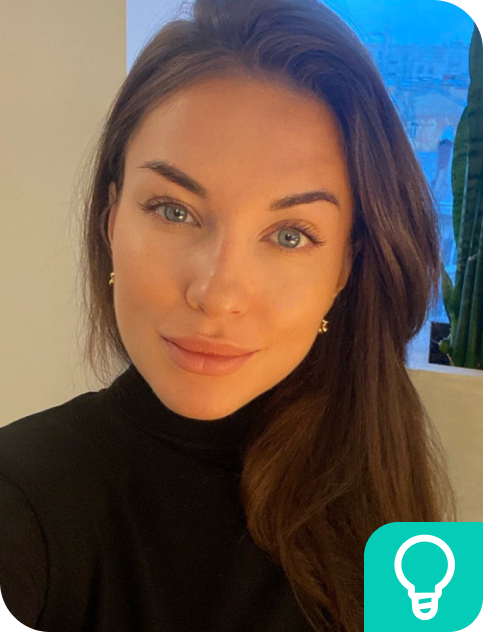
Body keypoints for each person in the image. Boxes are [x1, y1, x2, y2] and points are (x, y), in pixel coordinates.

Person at [0, 1, 458, 631]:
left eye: (291, 235)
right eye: (173, 210)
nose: (217, 294)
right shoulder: (23, 500)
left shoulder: (387, 469)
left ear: (344, 270)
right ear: (111, 219)